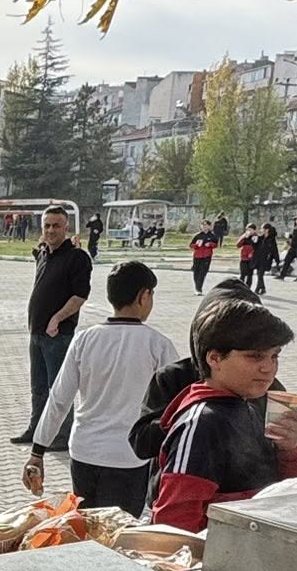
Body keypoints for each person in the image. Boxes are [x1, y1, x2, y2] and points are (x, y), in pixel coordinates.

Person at [23, 261, 176, 514]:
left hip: (84, 453)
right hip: (129, 459)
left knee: (87, 529)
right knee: (119, 535)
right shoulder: (158, 345)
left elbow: (59, 399)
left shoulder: (84, 339)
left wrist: (37, 451)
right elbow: (175, 407)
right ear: (144, 296)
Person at [150, 298, 297, 532]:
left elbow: (292, 491)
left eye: (274, 356)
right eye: (255, 356)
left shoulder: (249, 404)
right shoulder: (202, 422)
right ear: (214, 359)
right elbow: (174, 524)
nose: (268, 368)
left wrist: (290, 449)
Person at [127, 278, 282, 463]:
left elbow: (280, 461)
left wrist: (290, 445)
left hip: (248, 490)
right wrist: (187, 415)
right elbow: (141, 444)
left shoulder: (269, 389)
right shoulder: (173, 378)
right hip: (177, 484)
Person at [12, 206, 90, 450]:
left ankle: (62, 435)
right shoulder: (44, 253)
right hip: (37, 332)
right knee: (38, 387)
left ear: (66, 228)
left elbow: (80, 295)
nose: (51, 230)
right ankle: (36, 428)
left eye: (56, 225)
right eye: (47, 226)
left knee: (59, 388)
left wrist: (57, 318)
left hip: (58, 334)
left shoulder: (77, 257)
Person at [188, 220, 216, 294]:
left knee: (202, 273)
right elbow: (191, 245)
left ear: (209, 226)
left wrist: (210, 244)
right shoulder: (197, 235)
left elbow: (216, 244)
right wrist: (196, 245)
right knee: (196, 272)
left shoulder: (212, 236)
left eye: (206, 225)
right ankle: (197, 287)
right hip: (197, 256)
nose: (204, 227)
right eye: (203, 225)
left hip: (206, 256)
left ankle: (199, 289)